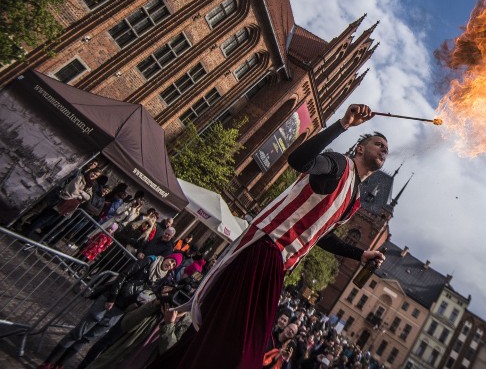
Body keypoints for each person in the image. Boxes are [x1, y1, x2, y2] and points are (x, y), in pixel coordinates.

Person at [147, 104, 388, 369]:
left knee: (214, 336)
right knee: (240, 350)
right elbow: (299, 160)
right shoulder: (338, 164)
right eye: (378, 143)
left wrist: (359, 254)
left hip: (280, 264)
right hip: (267, 246)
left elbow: (321, 236)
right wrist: (342, 124)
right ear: (361, 149)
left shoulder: (353, 201)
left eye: (386, 148)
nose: (384, 149)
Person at [37, 253, 181, 369]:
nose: (171, 264)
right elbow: (124, 275)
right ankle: (48, 362)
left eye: (174, 265)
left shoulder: (161, 279)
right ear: (167, 257)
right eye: (171, 260)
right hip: (110, 299)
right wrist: (112, 297)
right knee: (78, 333)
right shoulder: (150, 261)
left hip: (121, 309)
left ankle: (60, 364)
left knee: (87, 338)